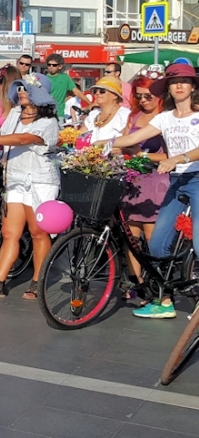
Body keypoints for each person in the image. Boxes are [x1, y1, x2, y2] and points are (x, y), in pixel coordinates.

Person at [98, 63, 199, 319]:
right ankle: (165, 302)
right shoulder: (164, 118)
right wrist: (103, 142)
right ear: (167, 89)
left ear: (192, 87)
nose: (178, 86)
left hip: (196, 178)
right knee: (156, 244)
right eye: (173, 82)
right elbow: (133, 138)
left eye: (184, 82)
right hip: (176, 181)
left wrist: (179, 158)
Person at [0, 74, 60, 298]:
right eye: (19, 89)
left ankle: (38, 281)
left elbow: (23, 139)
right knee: (9, 232)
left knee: (38, 232)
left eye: (26, 89)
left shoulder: (48, 123)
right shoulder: (14, 114)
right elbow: (5, 137)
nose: (20, 92)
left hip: (40, 181)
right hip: (16, 178)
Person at [118, 72, 169, 308]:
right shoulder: (135, 115)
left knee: (153, 238)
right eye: (140, 96)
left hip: (156, 179)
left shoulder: (166, 117)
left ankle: (161, 288)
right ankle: (136, 283)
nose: (145, 100)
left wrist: (142, 155)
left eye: (149, 96)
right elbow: (123, 144)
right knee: (131, 235)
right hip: (133, 179)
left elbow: (171, 155)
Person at [83, 76, 129, 143]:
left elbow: (128, 142)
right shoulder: (93, 114)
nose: (97, 93)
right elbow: (79, 136)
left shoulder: (125, 115)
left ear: (115, 95)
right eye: (95, 91)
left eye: (102, 91)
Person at [45, 53, 89, 122]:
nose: (51, 66)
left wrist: (90, 103)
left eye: (54, 65)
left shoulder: (65, 78)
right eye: (49, 64)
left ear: (60, 66)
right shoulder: (44, 78)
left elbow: (76, 91)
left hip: (59, 114)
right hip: (45, 115)